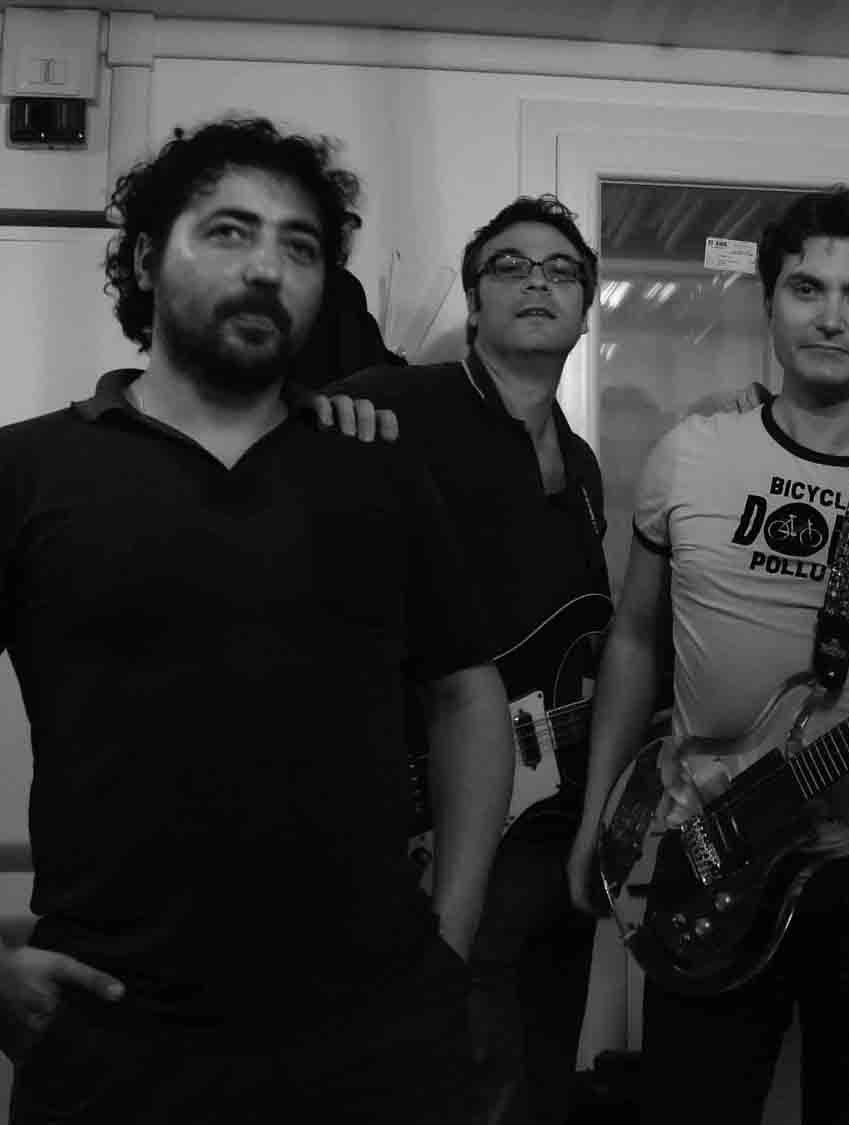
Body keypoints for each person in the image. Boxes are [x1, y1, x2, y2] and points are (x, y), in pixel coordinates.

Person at [0, 116, 512, 1124]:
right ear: (144, 259)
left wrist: (450, 940)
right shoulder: (26, 472)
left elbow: (466, 693)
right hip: (114, 1039)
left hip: (380, 1039)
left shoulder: (378, 470)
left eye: (300, 246)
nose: (268, 267)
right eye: (229, 231)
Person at [566, 185, 849, 1124]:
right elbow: (634, 637)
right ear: (769, 303)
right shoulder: (689, 454)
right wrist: (598, 816)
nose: (831, 316)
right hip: (707, 843)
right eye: (807, 288)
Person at [328, 195, 609, 1125]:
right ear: (474, 299)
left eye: (562, 271)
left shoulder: (583, 463)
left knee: (544, 1077)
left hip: (558, 826)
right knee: (464, 1078)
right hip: (444, 819)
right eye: (510, 266)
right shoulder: (392, 403)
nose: (537, 281)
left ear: (585, 309)